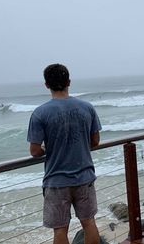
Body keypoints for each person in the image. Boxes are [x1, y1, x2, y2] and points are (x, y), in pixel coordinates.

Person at [27, 64, 102, 244]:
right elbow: (95, 141)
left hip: (57, 180)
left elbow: (35, 151)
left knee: (60, 230)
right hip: (84, 176)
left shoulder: (40, 113)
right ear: (69, 82)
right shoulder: (87, 108)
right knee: (89, 222)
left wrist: (49, 148)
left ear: (46, 85)